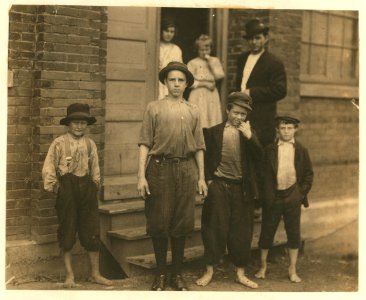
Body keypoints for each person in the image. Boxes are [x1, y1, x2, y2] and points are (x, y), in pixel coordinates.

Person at [137, 61, 208, 291]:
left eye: (180, 80)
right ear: (165, 83)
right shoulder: (154, 108)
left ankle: (176, 276)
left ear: (187, 84)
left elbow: (199, 146)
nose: (176, 84)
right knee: (159, 222)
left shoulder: (193, 110)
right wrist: (141, 176)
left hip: (187, 170)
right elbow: (145, 143)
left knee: (182, 223)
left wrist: (201, 177)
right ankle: (160, 275)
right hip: (160, 169)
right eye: (172, 80)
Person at [196, 92, 263, 289]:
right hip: (219, 187)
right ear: (227, 111)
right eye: (236, 113)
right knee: (214, 230)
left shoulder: (248, 133)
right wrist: (208, 181)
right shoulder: (213, 132)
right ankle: (209, 270)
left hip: (242, 190)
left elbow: (261, 159)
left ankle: (240, 273)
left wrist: (250, 137)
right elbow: (205, 159)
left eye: (243, 114)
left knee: (241, 232)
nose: (239, 117)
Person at [42, 103, 113, 288]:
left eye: (83, 122)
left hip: (87, 190)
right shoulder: (59, 143)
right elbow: (49, 168)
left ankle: (95, 274)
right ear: (68, 124)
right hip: (67, 191)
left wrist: (94, 185)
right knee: (67, 231)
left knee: (91, 232)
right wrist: (57, 188)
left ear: (87, 124)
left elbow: (96, 169)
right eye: (76, 122)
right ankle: (69, 276)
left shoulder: (90, 144)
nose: (79, 126)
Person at [255, 114, 314, 283]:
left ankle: (292, 269)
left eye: (289, 128)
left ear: (296, 129)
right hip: (274, 196)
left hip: (292, 196)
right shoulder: (270, 149)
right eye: (282, 128)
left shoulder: (301, 150)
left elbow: (309, 174)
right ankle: (263, 267)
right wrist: (267, 195)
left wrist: (300, 194)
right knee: (267, 232)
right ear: (277, 130)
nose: (286, 132)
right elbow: (262, 175)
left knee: (294, 233)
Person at [235, 18, 287, 147]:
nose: (254, 42)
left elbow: (280, 90)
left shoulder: (274, 62)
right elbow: (239, 83)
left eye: (258, 38)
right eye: (250, 39)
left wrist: (251, 92)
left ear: (266, 38)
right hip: (242, 116)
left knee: (260, 157)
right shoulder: (242, 59)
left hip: (262, 120)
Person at [187, 34, 225, 128]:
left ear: (211, 49)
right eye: (201, 50)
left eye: (207, 50)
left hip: (211, 95)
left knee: (212, 119)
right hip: (198, 94)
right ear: (197, 50)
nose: (204, 52)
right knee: (199, 119)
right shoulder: (193, 63)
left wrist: (211, 63)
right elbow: (189, 82)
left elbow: (219, 76)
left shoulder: (214, 61)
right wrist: (204, 84)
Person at [159, 17, 183, 100]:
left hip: (171, 82)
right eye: (166, 31)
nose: (169, 34)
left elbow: (180, 69)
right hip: (157, 82)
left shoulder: (176, 49)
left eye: (172, 32)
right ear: (161, 31)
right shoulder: (156, 47)